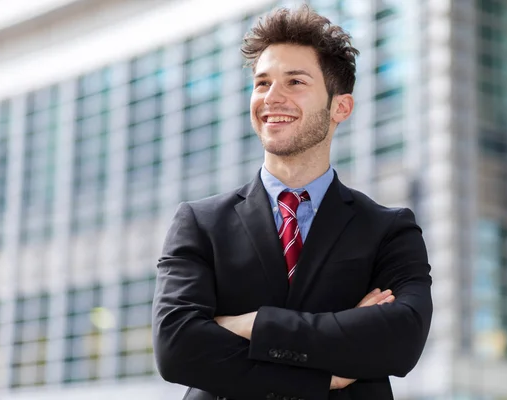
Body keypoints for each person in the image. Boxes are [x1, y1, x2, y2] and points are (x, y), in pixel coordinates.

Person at [152, 5, 432, 400]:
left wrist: (253, 324)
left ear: (341, 107)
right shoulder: (200, 223)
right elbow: (177, 348)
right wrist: (323, 374)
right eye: (262, 83)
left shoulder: (388, 229)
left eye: (295, 82)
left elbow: (401, 340)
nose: (272, 97)